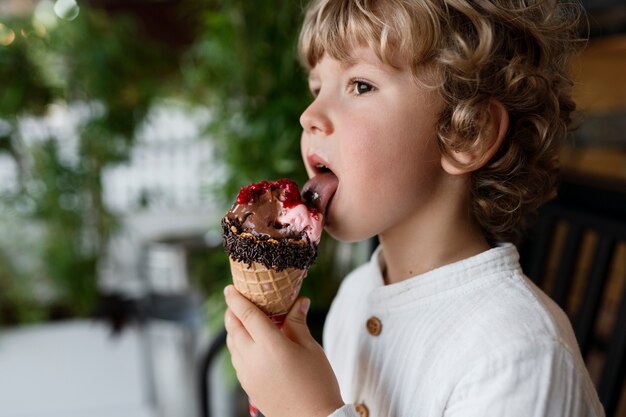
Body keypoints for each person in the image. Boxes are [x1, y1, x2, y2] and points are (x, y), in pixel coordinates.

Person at [223, 0, 605, 416]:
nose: (309, 115)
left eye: (360, 85)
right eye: (317, 88)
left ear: (467, 133)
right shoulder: (355, 297)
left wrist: (309, 410)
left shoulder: (519, 354)